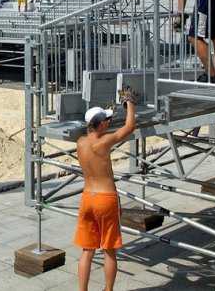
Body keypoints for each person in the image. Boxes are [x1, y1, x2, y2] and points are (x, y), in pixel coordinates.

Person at [74, 89, 137, 291]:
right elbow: (129, 127)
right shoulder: (104, 142)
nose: (108, 124)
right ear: (101, 124)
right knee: (109, 249)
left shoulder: (80, 143)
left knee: (87, 251)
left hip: (87, 198)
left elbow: (93, 131)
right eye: (107, 121)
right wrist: (130, 102)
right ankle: (108, 290)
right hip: (105, 198)